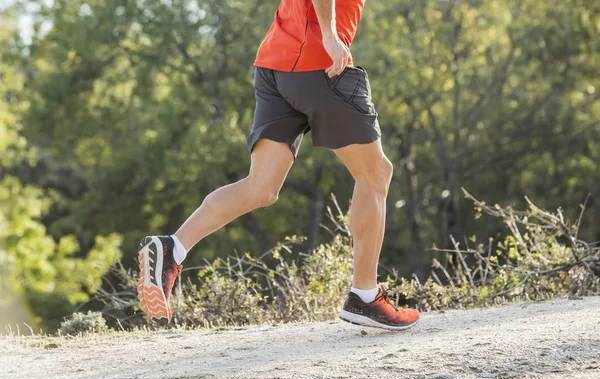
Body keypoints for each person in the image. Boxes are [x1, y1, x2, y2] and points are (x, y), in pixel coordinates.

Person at [137, 0, 420, 331]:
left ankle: (173, 247)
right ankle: (365, 296)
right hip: (320, 63)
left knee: (260, 187)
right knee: (375, 174)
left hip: (275, 64)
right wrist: (329, 34)